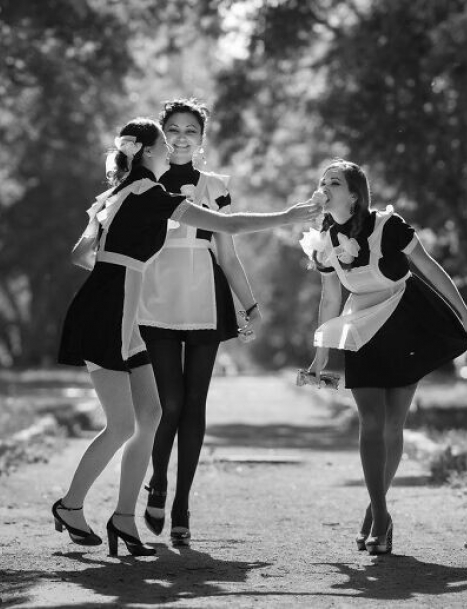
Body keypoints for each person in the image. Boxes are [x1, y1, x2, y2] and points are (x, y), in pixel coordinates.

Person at [54, 117, 322, 557]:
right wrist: (290, 215)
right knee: (124, 423)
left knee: (151, 416)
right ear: (150, 153)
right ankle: (70, 505)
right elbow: (228, 227)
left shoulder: (116, 193)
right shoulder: (151, 193)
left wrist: (116, 267)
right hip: (109, 315)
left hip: (120, 308)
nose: (171, 150)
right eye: (164, 144)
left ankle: (124, 517)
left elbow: (79, 254)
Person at [300, 160, 467, 556]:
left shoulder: (389, 226)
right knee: (371, 420)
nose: (325, 186)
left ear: (354, 194)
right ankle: (383, 518)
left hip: (406, 319)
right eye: (323, 182)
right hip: (361, 327)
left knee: (393, 423)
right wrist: (321, 353)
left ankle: (374, 512)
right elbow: (331, 298)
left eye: (335, 182)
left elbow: (430, 270)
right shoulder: (322, 240)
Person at [137, 99, 258, 547]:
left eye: (191, 130)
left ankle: (182, 504)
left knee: (195, 404)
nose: (182, 137)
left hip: (206, 297)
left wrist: (249, 304)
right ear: (160, 135)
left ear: (202, 139)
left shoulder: (215, 186)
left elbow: (228, 252)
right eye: (173, 128)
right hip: (156, 298)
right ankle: (158, 483)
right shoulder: (144, 182)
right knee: (168, 403)